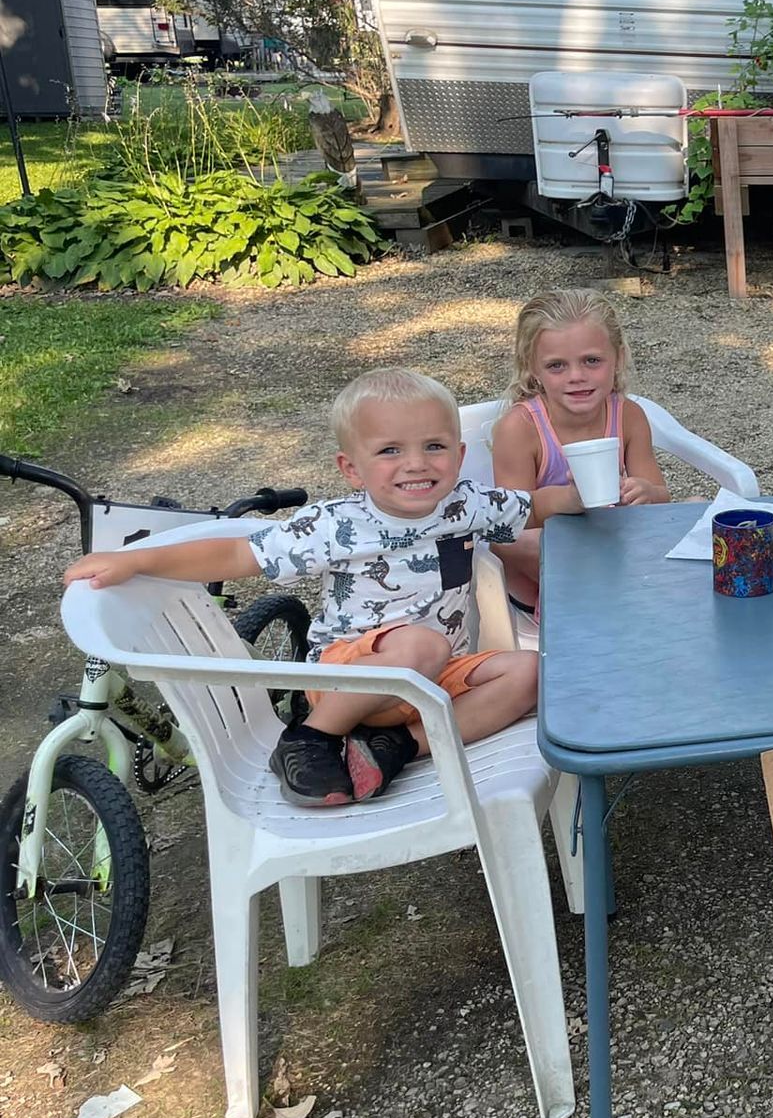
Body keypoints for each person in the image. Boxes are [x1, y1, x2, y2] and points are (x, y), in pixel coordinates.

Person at [64, 369, 575, 807]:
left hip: (435, 680)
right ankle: (307, 740)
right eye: (390, 450)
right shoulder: (334, 523)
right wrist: (135, 559)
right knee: (422, 642)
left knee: (531, 672)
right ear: (351, 469)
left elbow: (536, 505)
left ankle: (395, 747)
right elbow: (235, 553)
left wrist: (595, 493)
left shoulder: (467, 504)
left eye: (434, 446)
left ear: (459, 455)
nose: (417, 463)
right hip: (347, 679)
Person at [491, 289, 669, 611]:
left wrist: (644, 492)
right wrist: (570, 499)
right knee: (515, 542)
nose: (577, 376)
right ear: (532, 368)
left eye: (592, 361)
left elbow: (661, 497)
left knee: (699, 509)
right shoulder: (520, 428)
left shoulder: (628, 415)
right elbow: (511, 519)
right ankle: (608, 599)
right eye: (557, 365)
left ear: (618, 358)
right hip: (547, 568)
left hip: (612, 543)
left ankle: (623, 591)